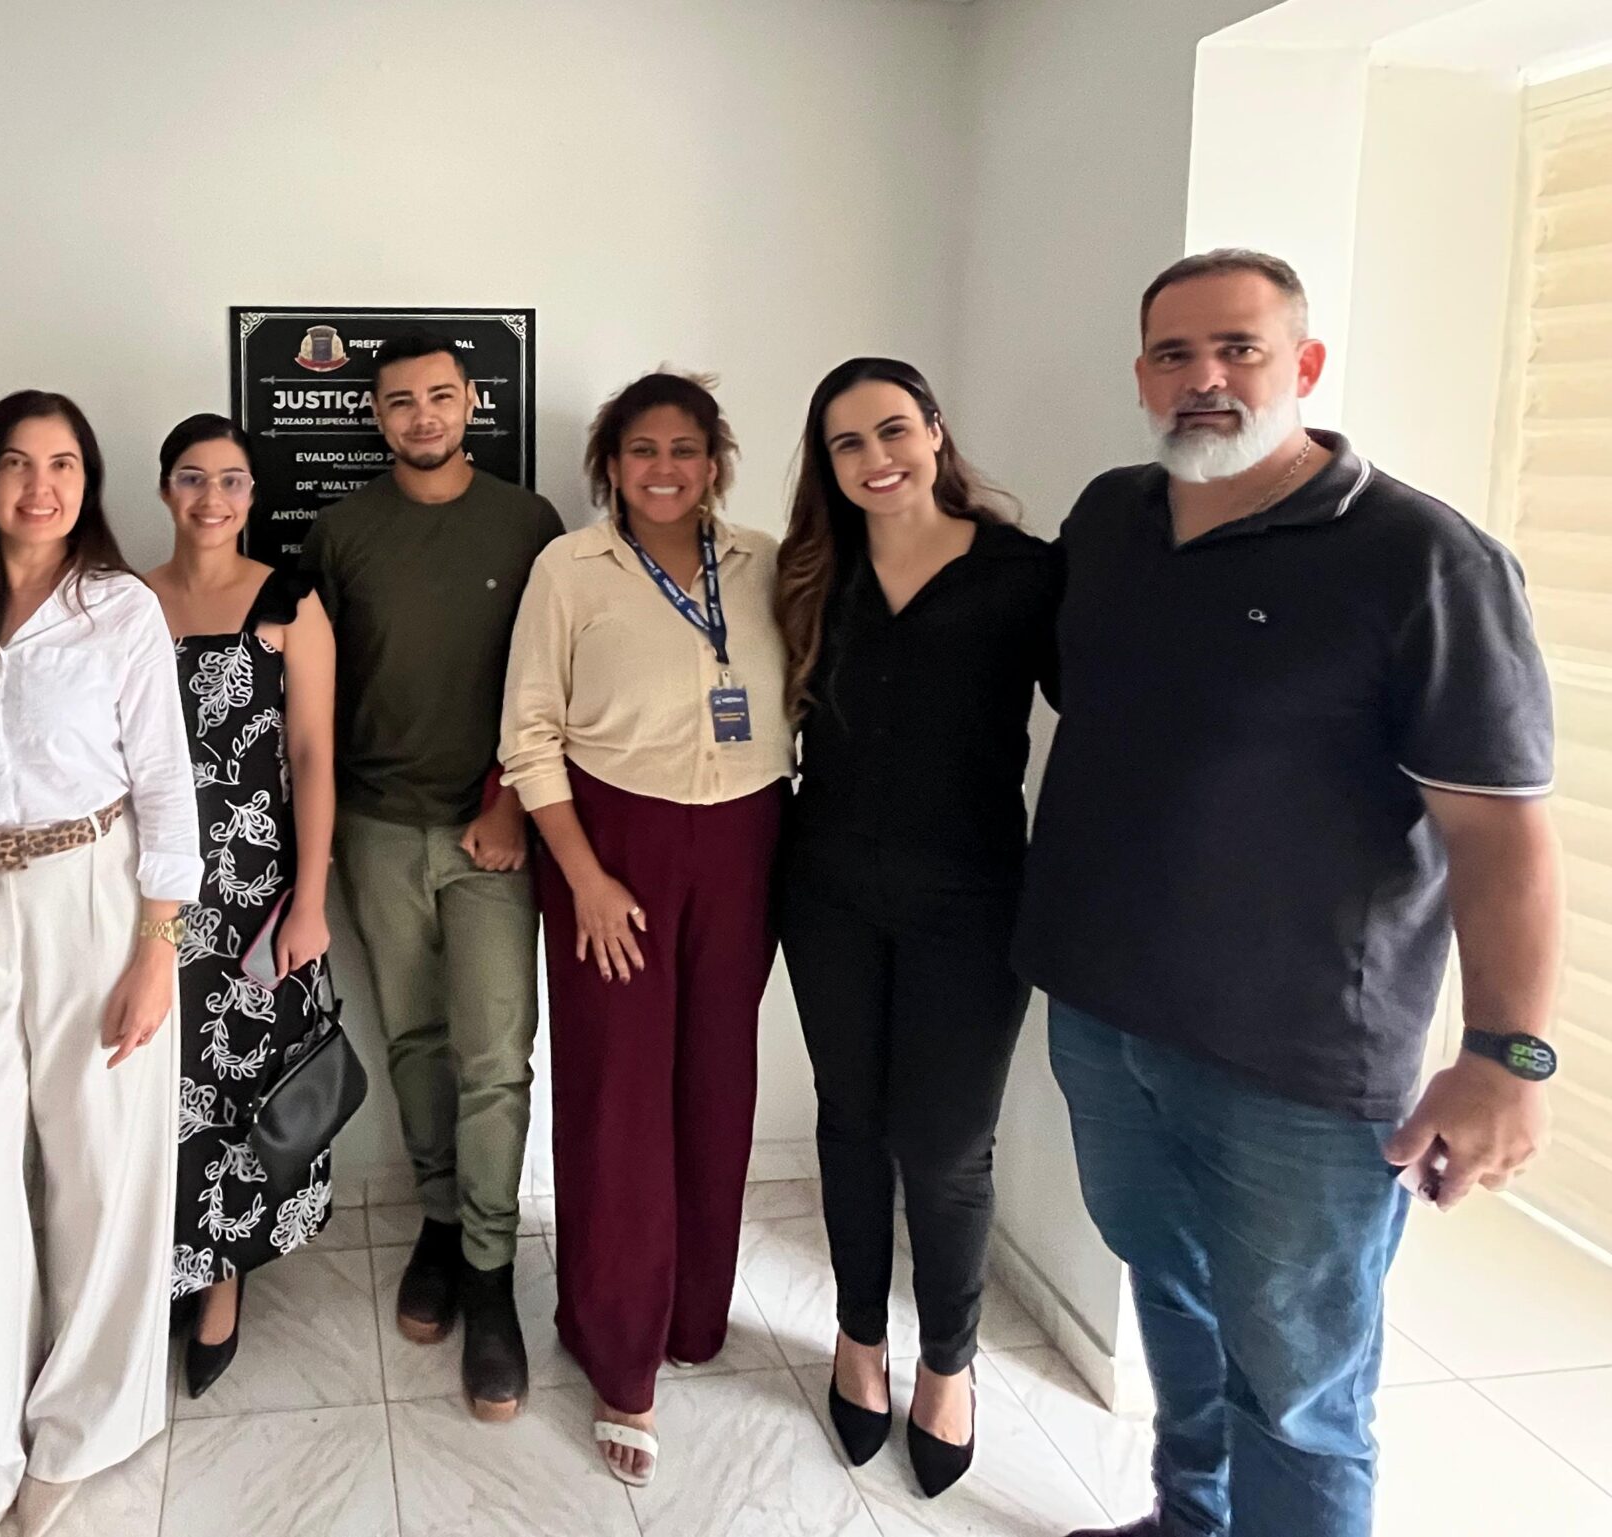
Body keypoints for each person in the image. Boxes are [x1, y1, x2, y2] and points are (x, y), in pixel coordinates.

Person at [1021, 251, 1560, 1537]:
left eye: (1239, 349)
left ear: (1303, 364)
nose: (1203, 377)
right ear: (1141, 373)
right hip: (1104, 1016)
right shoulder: (1109, 518)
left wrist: (1506, 1058)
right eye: (1173, 353)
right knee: (1171, 1297)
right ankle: (1188, 1519)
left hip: (1300, 1066)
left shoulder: (1421, 558)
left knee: (1300, 1388)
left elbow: (1498, 831)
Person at [0, 390, 200, 1531]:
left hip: (95, 892)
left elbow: (166, 779)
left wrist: (156, 948)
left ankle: (84, 1424)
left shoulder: (118, 608)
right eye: (19, 463)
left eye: (65, 464)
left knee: (99, 1171)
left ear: (89, 482)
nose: (41, 486)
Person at [771, 357, 1059, 1496]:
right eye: (847, 443)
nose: (875, 457)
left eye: (893, 429)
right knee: (851, 1120)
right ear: (827, 464)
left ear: (935, 432)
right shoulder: (809, 574)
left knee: (943, 1147)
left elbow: (1113, 714)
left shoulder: (1025, 574)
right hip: (827, 889)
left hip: (972, 898)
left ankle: (949, 1359)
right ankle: (859, 1335)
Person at [499, 371, 790, 1485]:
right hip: (611, 844)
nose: (663, 469)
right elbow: (529, 733)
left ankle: (692, 1313)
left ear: (714, 460)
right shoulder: (569, 569)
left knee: (716, 1084)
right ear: (609, 466)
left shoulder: (765, 562)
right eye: (640, 450)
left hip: (747, 841)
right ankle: (619, 1350)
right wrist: (581, 876)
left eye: (683, 449)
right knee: (617, 1096)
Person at [300, 329, 567, 1420]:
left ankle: (492, 1274)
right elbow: (315, 694)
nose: (423, 416)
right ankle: (445, 1224)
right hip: (374, 827)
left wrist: (511, 803)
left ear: (471, 404)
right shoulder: (340, 532)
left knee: (494, 1057)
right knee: (413, 1040)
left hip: (490, 831)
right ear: (376, 415)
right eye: (401, 401)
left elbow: (554, 677)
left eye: (440, 397)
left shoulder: (529, 523)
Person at [141, 413, 342, 1400]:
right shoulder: (127, 601)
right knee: (156, 1087)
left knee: (238, 1087)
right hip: (149, 891)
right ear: (165, 489)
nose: (210, 498)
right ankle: (164, 1266)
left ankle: (222, 1280)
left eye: (229, 480)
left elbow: (312, 755)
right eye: (191, 477)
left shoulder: (289, 601)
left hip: (256, 890)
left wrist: (311, 900)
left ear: (253, 495)